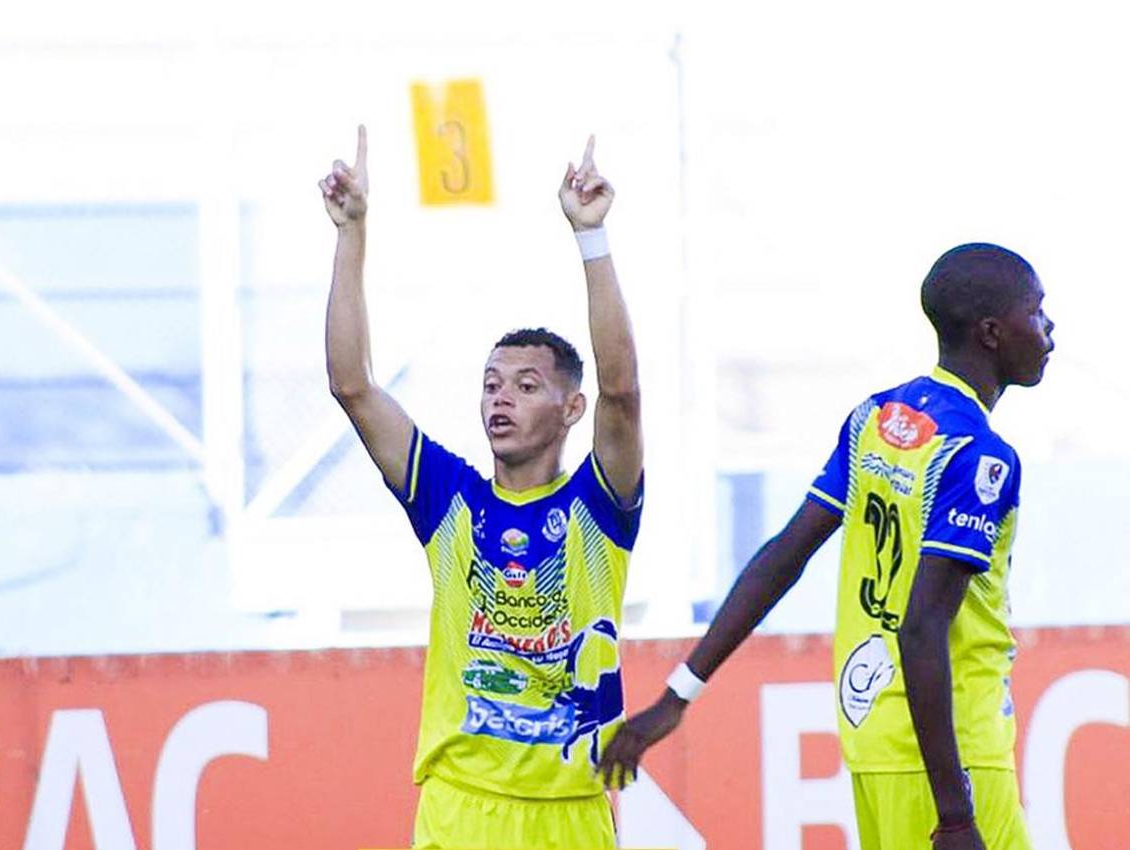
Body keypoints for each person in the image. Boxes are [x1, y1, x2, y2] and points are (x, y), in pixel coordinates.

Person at [598, 243, 1055, 850]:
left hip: (873, 742)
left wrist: (679, 693)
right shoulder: (980, 457)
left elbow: (785, 554)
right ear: (992, 332)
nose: (1050, 330)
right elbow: (920, 627)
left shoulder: (877, 417)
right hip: (953, 753)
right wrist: (954, 814)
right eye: (1038, 311)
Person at [321, 126, 643, 850]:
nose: (500, 399)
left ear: (569, 410)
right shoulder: (450, 501)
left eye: (526, 386)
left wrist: (592, 240)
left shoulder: (598, 508)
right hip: (462, 804)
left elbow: (622, 391)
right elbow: (352, 385)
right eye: (491, 384)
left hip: (570, 813)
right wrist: (352, 232)